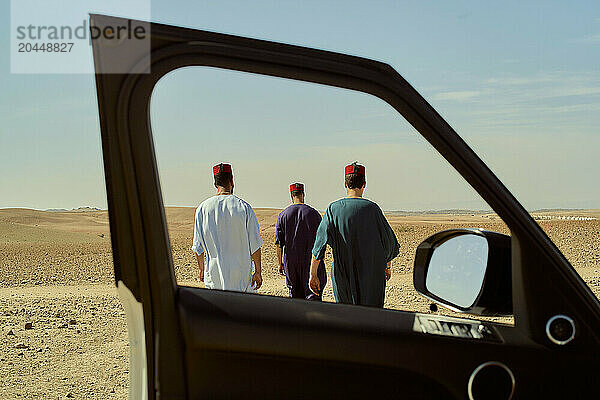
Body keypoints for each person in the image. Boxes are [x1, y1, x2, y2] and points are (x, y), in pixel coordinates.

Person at [309, 162, 399, 307]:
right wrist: (387, 267)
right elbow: (389, 244)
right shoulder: (373, 209)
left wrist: (313, 274)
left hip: (343, 277)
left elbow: (319, 245)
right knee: (371, 318)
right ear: (364, 184)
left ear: (345, 184)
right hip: (371, 279)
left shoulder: (333, 209)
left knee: (347, 318)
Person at [192, 163, 263, 292]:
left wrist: (202, 269)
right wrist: (258, 272)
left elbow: (198, 248)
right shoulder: (244, 208)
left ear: (215, 183)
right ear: (232, 181)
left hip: (214, 280)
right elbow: (255, 245)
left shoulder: (202, 209)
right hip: (241, 280)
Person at [275, 183, 327, 300]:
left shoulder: (283, 215)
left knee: (295, 298)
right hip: (310, 263)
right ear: (303, 195)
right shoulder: (314, 214)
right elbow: (321, 242)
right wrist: (321, 260)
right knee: (314, 296)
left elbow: (279, 244)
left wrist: (280, 263)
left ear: (291, 195)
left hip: (291, 263)